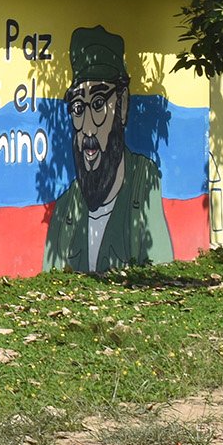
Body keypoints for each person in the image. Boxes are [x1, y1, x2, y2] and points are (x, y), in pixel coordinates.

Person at [42, 25, 172, 274]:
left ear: (122, 106)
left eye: (99, 104)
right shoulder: (65, 207)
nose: (88, 129)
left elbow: (158, 270)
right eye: (79, 108)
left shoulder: (143, 182)